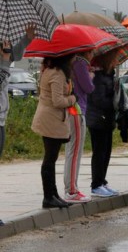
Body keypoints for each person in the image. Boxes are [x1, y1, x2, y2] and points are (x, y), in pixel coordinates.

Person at [31, 54, 77, 208]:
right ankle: (48, 197)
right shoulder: (56, 74)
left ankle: (53, 194)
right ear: (65, 58)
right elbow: (58, 101)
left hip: (53, 119)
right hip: (50, 120)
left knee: (52, 159)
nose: (74, 59)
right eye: (73, 56)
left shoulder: (54, 72)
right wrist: (72, 99)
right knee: (49, 160)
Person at [86, 50, 120, 198]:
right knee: (99, 153)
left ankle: (102, 181)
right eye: (115, 59)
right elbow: (98, 99)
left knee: (106, 152)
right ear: (108, 60)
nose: (117, 62)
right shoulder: (99, 77)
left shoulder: (108, 76)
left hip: (107, 119)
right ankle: (96, 184)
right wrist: (114, 99)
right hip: (98, 118)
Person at [63, 50, 95, 203]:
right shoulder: (79, 63)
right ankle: (71, 190)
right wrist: (90, 77)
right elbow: (88, 88)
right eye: (91, 50)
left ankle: (71, 187)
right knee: (75, 152)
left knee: (71, 150)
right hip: (77, 109)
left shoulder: (67, 63)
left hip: (70, 110)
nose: (93, 53)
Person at [0, 23, 36, 158]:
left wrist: (27, 39)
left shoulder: (3, 63)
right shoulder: (3, 65)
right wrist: (4, 61)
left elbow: (14, 55)